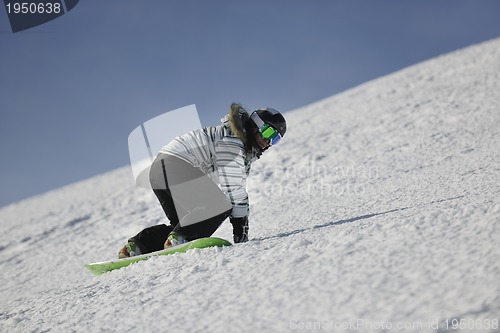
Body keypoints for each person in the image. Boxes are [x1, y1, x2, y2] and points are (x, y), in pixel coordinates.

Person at [118, 103, 287, 258]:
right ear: (255, 125)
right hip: (175, 164)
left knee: (187, 222)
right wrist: (240, 230)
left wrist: (240, 226)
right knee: (218, 206)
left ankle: (138, 246)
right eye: (268, 132)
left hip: (158, 170)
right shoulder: (235, 139)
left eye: (275, 139)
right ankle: (180, 238)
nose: (268, 142)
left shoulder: (240, 148)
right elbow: (234, 191)